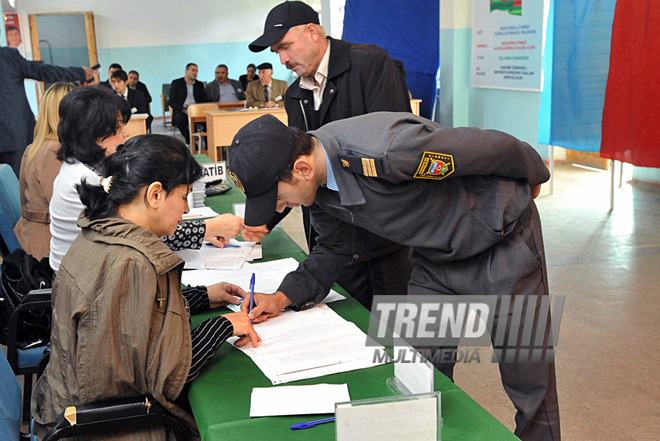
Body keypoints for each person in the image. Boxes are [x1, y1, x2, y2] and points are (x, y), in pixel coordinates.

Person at [229, 113, 560, 441]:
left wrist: (534, 174)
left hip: (500, 242)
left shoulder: (389, 151)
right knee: (418, 372)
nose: (278, 207)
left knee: (528, 379)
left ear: (302, 168)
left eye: (277, 197)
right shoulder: (318, 186)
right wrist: (282, 296)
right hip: (435, 258)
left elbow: (491, 149)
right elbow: (332, 248)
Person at [32, 134, 260, 440]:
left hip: (69, 409)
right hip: (110, 429)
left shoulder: (99, 232)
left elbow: (141, 317)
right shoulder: (131, 263)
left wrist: (203, 296)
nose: (185, 211)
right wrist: (223, 326)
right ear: (154, 195)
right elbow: (167, 380)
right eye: (182, 197)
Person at [248, 0, 413, 309]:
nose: (283, 60)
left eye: (285, 47)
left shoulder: (371, 65)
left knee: (404, 339)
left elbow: (395, 149)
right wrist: (265, 219)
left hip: (384, 238)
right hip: (334, 241)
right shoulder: (296, 94)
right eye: (276, 53)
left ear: (312, 32)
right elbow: (298, 167)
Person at [49, 87, 262, 273]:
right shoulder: (86, 180)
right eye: (118, 127)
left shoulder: (84, 167)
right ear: (94, 133)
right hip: (90, 283)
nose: (126, 133)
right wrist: (208, 228)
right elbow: (143, 234)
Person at [0, 46, 94, 176]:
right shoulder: (8, 56)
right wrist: (79, 72)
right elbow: (44, 71)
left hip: (14, 137)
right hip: (15, 137)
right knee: (17, 186)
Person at [14, 82, 76, 259]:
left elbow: (23, 200)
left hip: (32, 236)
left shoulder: (35, 147)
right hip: (48, 246)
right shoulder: (55, 151)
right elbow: (65, 209)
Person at [168, 63, 207, 143]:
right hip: (182, 110)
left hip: (197, 110)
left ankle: (207, 145)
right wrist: (183, 110)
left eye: (196, 71)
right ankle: (190, 140)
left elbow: (204, 100)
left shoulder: (199, 85)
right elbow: (172, 101)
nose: (195, 73)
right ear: (186, 71)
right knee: (179, 119)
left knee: (208, 121)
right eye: (193, 70)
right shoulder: (177, 83)